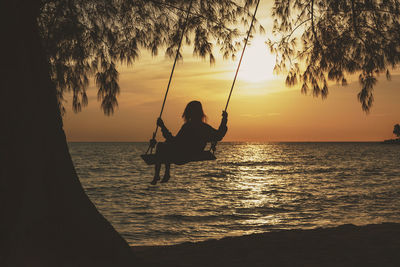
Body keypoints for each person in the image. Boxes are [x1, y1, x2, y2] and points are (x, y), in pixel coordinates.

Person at [151, 100, 228, 185]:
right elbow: (218, 136)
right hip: (193, 154)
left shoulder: (188, 127)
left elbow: (174, 141)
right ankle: (165, 174)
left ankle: (160, 174)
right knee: (166, 144)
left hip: (181, 156)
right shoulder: (204, 127)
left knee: (161, 146)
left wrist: (162, 126)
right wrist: (224, 120)